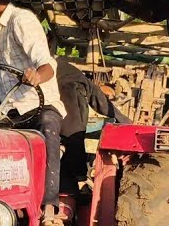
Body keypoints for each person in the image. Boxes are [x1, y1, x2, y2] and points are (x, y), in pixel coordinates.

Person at [0, 0, 69, 226]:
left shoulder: (22, 20)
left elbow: (46, 64)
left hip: (38, 105)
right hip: (9, 111)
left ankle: (49, 209)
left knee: (48, 128)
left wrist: (36, 76)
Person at [55, 59, 130, 193]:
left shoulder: (66, 75)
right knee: (73, 137)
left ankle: (76, 181)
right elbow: (99, 102)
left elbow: (99, 101)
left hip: (61, 92)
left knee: (72, 136)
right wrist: (127, 125)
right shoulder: (68, 72)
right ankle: (76, 180)